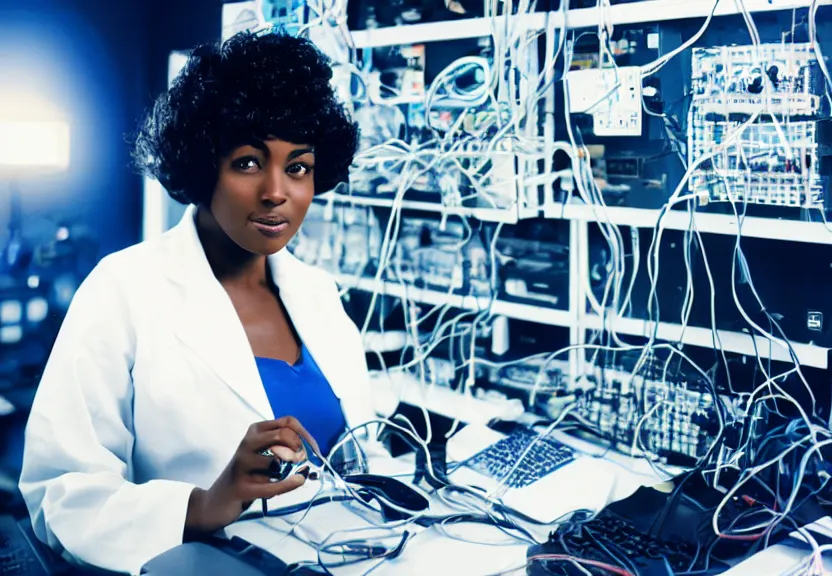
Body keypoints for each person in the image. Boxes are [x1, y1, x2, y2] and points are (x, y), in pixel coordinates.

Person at [18, 30, 382, 574]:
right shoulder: (122, 289)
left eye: (298, 167)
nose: (277, 192)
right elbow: (59, 494)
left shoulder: (318, 293)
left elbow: (365, 454)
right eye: (248, 162)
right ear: (201, 165)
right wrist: (201, 505)